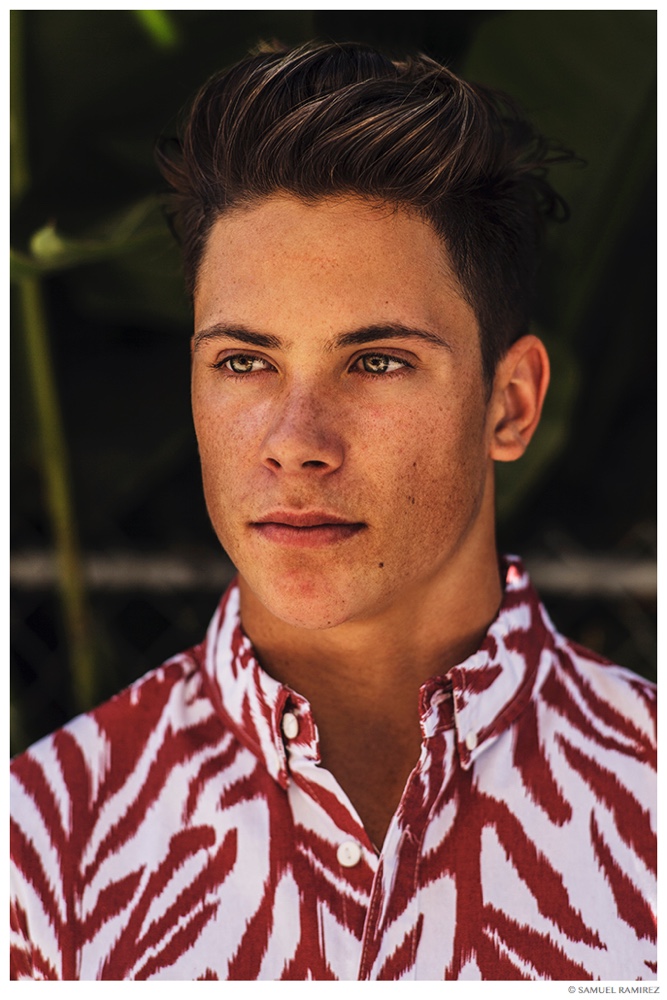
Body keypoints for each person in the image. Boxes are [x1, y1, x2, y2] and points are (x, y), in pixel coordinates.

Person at [10, 41, 656, 982]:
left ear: (510, 403)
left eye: (377, 361)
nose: (295, 440)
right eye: (244, 362)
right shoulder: (37, 846)